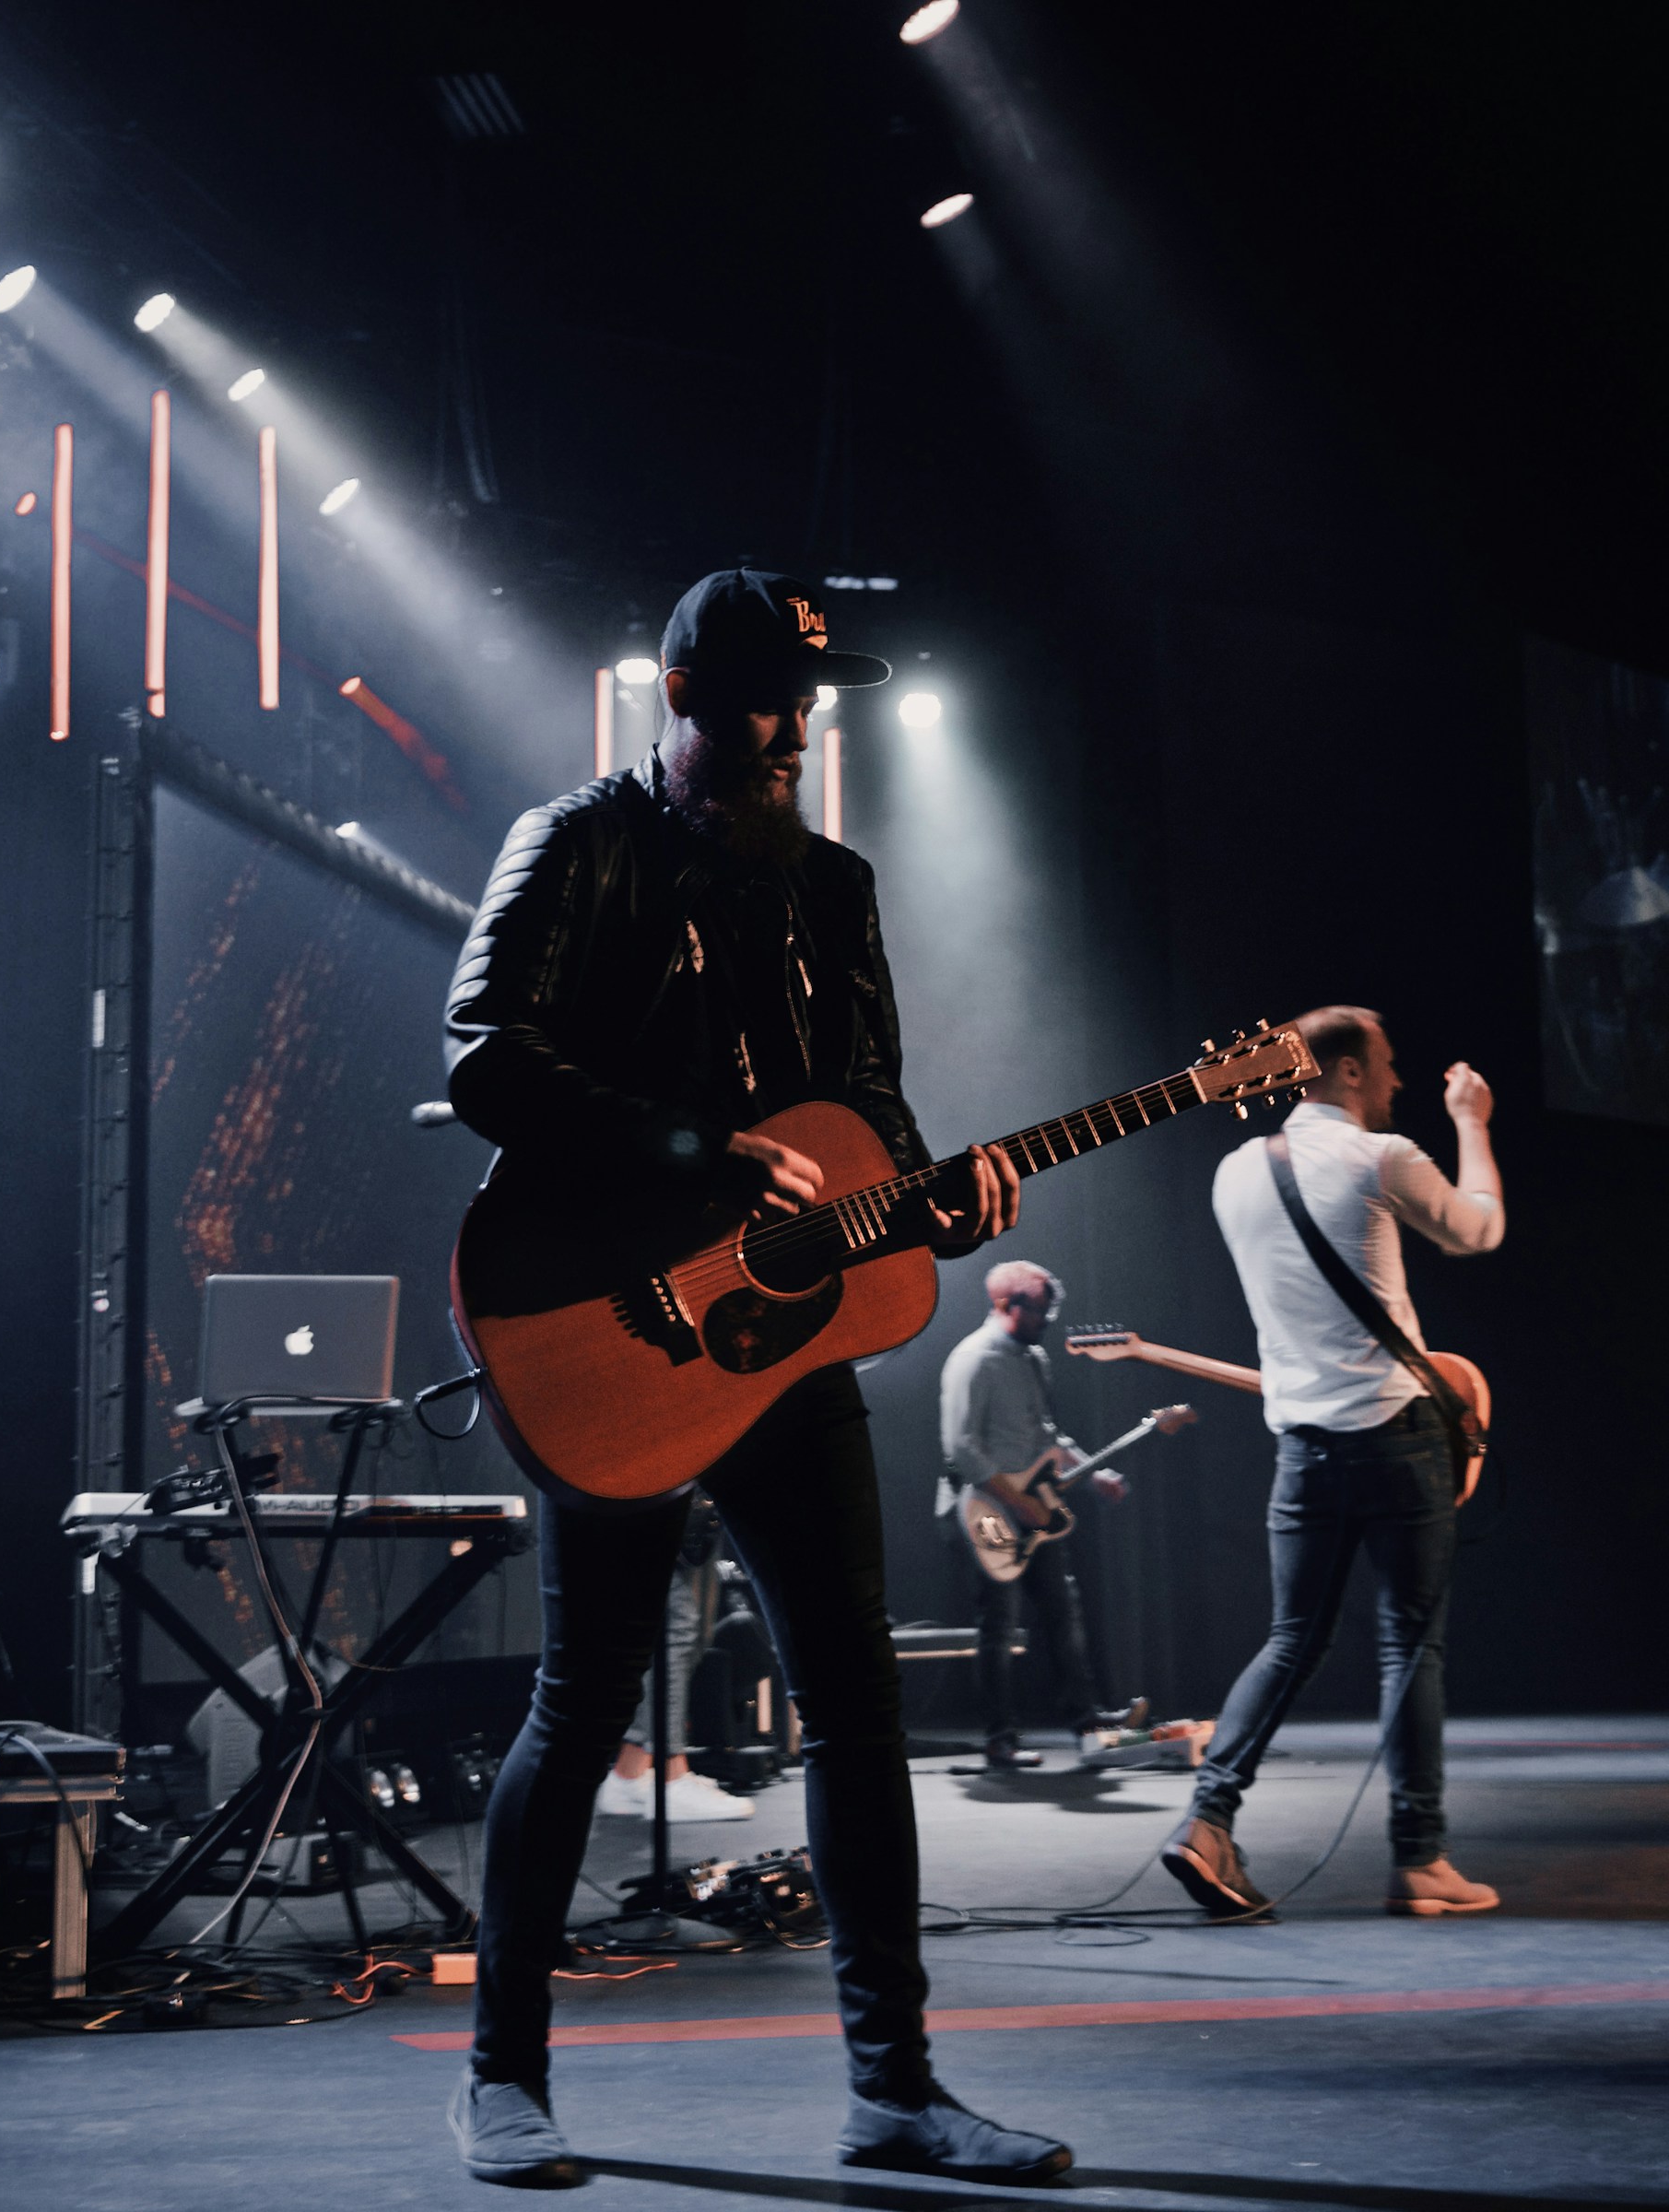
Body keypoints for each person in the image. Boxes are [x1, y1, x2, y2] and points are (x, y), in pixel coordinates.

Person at [441, 570, 1072, 2188]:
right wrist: (691, 1153)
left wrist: (946, 1187)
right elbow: (483, 1055)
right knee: (581, 1706)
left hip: (784, 1351)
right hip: (618, 1328)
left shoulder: (837, 886)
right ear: (679, 692)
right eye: (754, 702)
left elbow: (869, 1099)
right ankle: (504, 2078)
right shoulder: (576, 842)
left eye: (803, 701)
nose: (787, 728)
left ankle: (898, 2090)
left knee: (858, 1711)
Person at [1162, 1006, 1504, 1921]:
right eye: (1386, 1067)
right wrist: (1471, 1121)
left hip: (1304, 1449)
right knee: (1410, 1648)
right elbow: (1478, 1233)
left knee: (1288, 1643)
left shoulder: (1235, 1173)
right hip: (1396, 1438)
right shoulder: (1380, 1159)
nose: (1395, 1084)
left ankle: (1207, 1821)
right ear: (1348, 1072)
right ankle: (1422, 1861)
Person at [938, 1261, 1146, 1769]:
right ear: (1007, 1305)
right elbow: (960, 1448)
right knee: (1000, 1623)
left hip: (1031, 1507)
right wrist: (1017, 1500)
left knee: (1063, 1612)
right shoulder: (973, 1358)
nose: (1048, 1320)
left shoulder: (1033, 1358)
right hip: (984, 1505)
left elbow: (1045, 1435)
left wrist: (1092, 1473)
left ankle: (1087, 1723)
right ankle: (999, 1739)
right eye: (1040, 1310)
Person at [594, 1500, 753, 1822]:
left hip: (683, 1494)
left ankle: (629, 1773)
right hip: (648, 1491)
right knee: (674, 1625)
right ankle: (671, 1776)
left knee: (691, 1634)